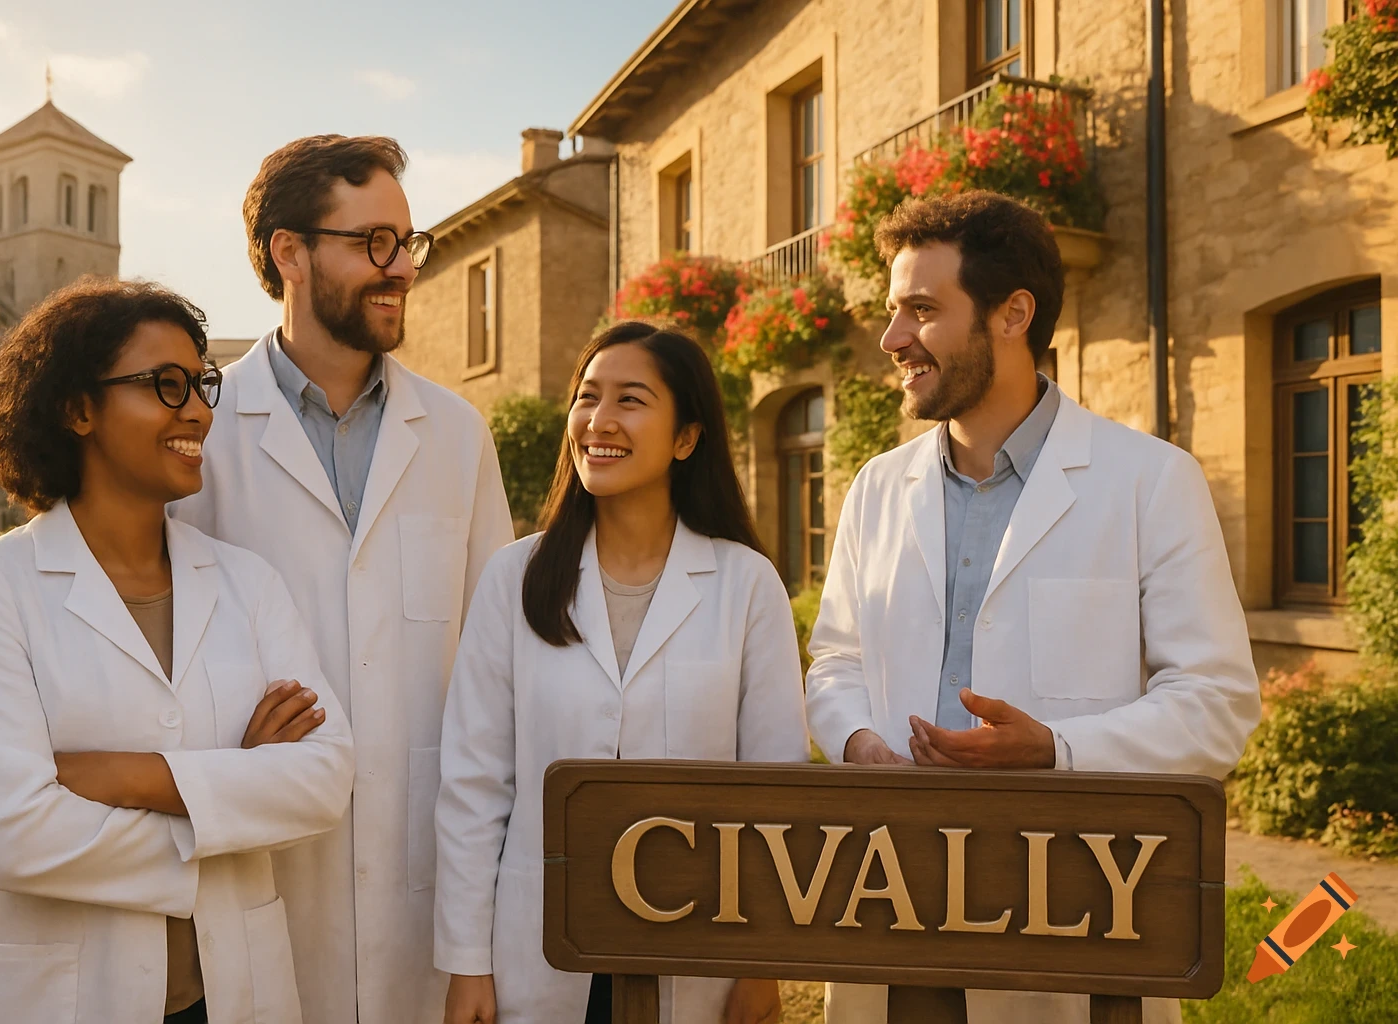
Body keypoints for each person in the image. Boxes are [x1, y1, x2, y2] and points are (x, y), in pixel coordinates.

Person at [805, 191, 1261, 1024]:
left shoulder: (1150, 482)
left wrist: (1057, 750)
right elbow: (835, 658)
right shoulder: (877, 488)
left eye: (921, 310)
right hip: (893, 900)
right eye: (891, 311)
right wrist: (859, 740)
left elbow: (1217, 703)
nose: (892, 338)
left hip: (1081, 913)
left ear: (1014, 313)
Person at [0, 278, 355, 1024]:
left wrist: (121, 777)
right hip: (54, 998)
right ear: (78, 408)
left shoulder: (248, 584)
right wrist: (235, 793)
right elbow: (15, 835)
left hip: (232, 994)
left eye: (200, 385)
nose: (196, 409)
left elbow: (321, 779)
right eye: (165, 385)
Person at [169, 134, 514, 1023]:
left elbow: (496, 673)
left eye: (408, 242)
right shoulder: (199, 442)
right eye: (372, 244)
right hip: (260, 874)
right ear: (289, 251)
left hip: (426, 899)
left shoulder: (456, 434)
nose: (400, 267)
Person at [435, 321, 809, 1024]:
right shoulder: (514, 577)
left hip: (698, 943)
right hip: (536, 949)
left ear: (686, 438)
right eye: (587, 397)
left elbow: (772, 793)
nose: (598, 421)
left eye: (630, 400)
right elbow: (474, 785)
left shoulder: (744, 583)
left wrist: (762, 965)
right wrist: (466, 963)